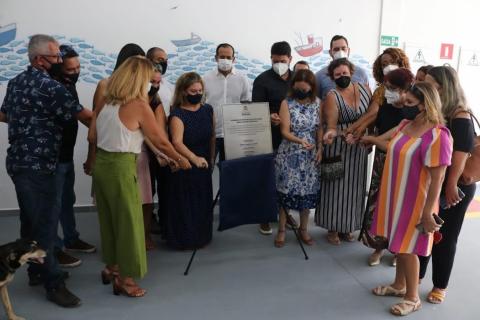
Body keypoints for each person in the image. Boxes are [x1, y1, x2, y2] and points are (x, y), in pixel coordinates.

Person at [0, 34, 92, 307]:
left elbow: (4, 114)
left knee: (31, 221)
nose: (60, 61)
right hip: (40, 165)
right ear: (40, 60)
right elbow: (85, 116)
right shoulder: (50, 86)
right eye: (56, 57)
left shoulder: (15, 83)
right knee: (47, 226)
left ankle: (35, 270)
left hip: (17, 162)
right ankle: (54, 283)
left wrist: (27, 120)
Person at [90, 56, 191, 297]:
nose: (153, 83)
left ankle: (112, 267)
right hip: (121, 168)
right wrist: (180, 158)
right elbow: (159, 140)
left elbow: (92, 135)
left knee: (110, 221)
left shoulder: (108, 100)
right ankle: (126, 279)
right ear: (139, 79)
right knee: (129, 224)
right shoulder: (138, 105)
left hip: (102, 166)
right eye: (149, 78)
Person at [363, 82, 452, 316]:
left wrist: (427, 212)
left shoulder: (438, 135)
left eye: (410, 103)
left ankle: (412, 298)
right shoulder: (405, 125)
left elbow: (438, 178)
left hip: (416, 200)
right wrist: (370, 140)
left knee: (407, 247)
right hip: (395, 195)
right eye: (405, 102)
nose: (405, 107)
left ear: (425, 105)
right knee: (398, 242)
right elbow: (389, 145)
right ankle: (398, 285)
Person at [418, 66, 476, 304]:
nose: (426, 86)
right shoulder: (434, 111)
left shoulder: (460, 116)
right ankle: (416, 277)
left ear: (443, 87)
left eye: (430, 82)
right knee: (423, 232)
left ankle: (440, 285)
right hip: (432, 182)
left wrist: (451, 186)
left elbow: (460, 157)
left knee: (445, 236)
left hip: (453, 186)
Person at [355, 68, 414, 267]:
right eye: (386, 87)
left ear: (406, 89)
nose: (387, 91)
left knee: (399, 206)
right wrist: (368, 139)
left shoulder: (412, 113)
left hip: (402, 164)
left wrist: (374, 140)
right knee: (377, 203)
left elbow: (399, 138)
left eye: (392, 88)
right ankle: (378, 247)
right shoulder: (386, 106)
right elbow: (378, 131)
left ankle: (397, 250)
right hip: (382, 162)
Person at [48, 45, 96, 268]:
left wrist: (97, 133)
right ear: (58, 68)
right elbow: (86, 115)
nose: (75, 72)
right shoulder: (55, 88)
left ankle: (71, 238)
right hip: (52, 157)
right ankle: (55, 249)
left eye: (78, 67)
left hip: (66, 155)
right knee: (53, 205)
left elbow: (81, 116)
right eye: (70, 69)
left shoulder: (69, 85)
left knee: (68, 200)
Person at [315, 58, 371, 245]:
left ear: (351, 73)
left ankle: (347, 227)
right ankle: (333, 228)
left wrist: (364, 135)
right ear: (332, 77)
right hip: (338, 147)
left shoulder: (364, 89)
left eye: (345, 73)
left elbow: (371, 116)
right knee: (336, 189)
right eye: (337, 75)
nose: (342, 77)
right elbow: (330, 125)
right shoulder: (331, 95)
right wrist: (331, 134)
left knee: (355, 189)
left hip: (359, 148)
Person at [252, 41, 298, 235]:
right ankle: (264, 216)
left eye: (283, 61)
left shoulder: (298, 79)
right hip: (268, 135)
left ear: (290, 60)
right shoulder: (262, 80)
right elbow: (255, 109)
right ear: (270, 58)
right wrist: (269, 116)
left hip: (293, 137)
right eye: (275, 60)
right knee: (267, 176)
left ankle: (285, 213)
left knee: (288, 177)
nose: (279, 64)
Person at [166, 72, 215, 249]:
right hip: (186, 164)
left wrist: (210, 157)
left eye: (200, 90)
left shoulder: (208, 109)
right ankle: (185, 239)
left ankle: (202, 236)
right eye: (193, 91)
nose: (197, 94)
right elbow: (176, 142)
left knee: (203, 201)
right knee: (186, 203)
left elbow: (212, 136)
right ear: (183, 92)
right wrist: (194, 158)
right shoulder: (177, 114)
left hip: (204, 163)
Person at [274, 69, 322, 247]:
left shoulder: (318, 103)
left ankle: (303, 229)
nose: (302, 91)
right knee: (286, 192)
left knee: (307, 194)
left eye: (305, 88)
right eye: (299, 88)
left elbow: (319, 128)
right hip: (290, 153)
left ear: (311, 87)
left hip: (310, 155)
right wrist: (300, 141)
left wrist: (320, 148)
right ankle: (281, 230)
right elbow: (284, 131)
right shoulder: (287, 103)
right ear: (293, 86)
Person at [84, 43, 146, 176]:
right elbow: (95, 126)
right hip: (107, 155)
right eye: (134, 62)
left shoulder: (142, 89)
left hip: (134, 154)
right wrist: (91, 157)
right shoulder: (105, 85)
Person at [346, 47, 411, 141]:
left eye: (393, 62)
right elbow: (373, 112)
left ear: (401, 64)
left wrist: (354, 128)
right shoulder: (380, 91)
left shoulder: (412, 88)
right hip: (381, 141)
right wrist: (358, 129)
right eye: (384, 65)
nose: (389, 67)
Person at [203, 43, 250, 162]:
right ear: (216, 58)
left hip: (233, 135)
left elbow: (247, 104)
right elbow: (200, 104)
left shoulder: (242, 78)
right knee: (207, 168)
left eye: (229, 57)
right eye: (222, 57)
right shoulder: (205, 78)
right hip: (210, 133)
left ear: (234, 59)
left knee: (230, 172)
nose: (225, 60)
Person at [315, 35, 369, 100]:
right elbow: (316, 103)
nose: (340, 52)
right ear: (330, 52)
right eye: (336, 49)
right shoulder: (319, 76)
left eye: (343, 49)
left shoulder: (361, 73)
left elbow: (367, 97)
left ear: (348, 50)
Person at [146, 47, 174, 116]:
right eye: (160, 59)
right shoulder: (139, 84)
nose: (164, 63)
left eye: (165, 60)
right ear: (149, 61)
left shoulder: (169, 86)